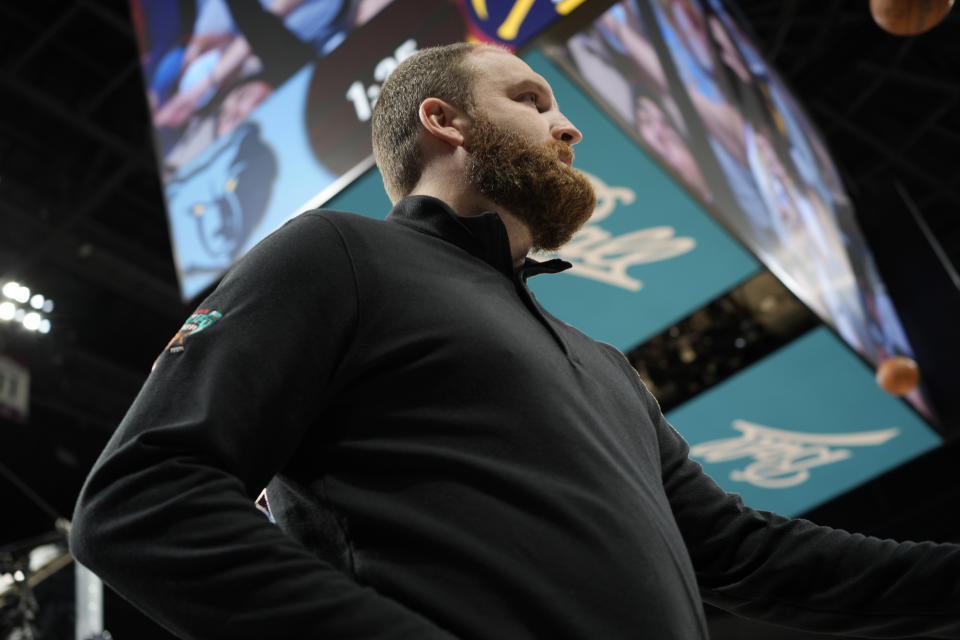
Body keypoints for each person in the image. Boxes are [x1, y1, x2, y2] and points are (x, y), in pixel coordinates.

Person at [70, 42, 960, 640]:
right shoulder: (336, 252)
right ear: (445, 122)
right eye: (531, 100)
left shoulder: (604, 364)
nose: (567, 126)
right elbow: (142, 502)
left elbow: (744, 554)